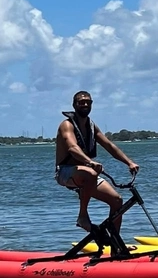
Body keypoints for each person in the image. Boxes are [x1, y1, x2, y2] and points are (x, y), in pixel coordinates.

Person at [55, 91, 140, 233]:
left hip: (87, 173)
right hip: (65, 172)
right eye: (81, 102)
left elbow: (109, 146)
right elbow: (72, 147)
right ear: (74, 105)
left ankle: (115, 244)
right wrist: (89, 162)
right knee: (90, 172)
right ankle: (82, 216)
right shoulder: (67, 125)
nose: (85, 104)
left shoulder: (91, 126)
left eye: (88, 102)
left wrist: (129, 162)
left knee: (117, 201)